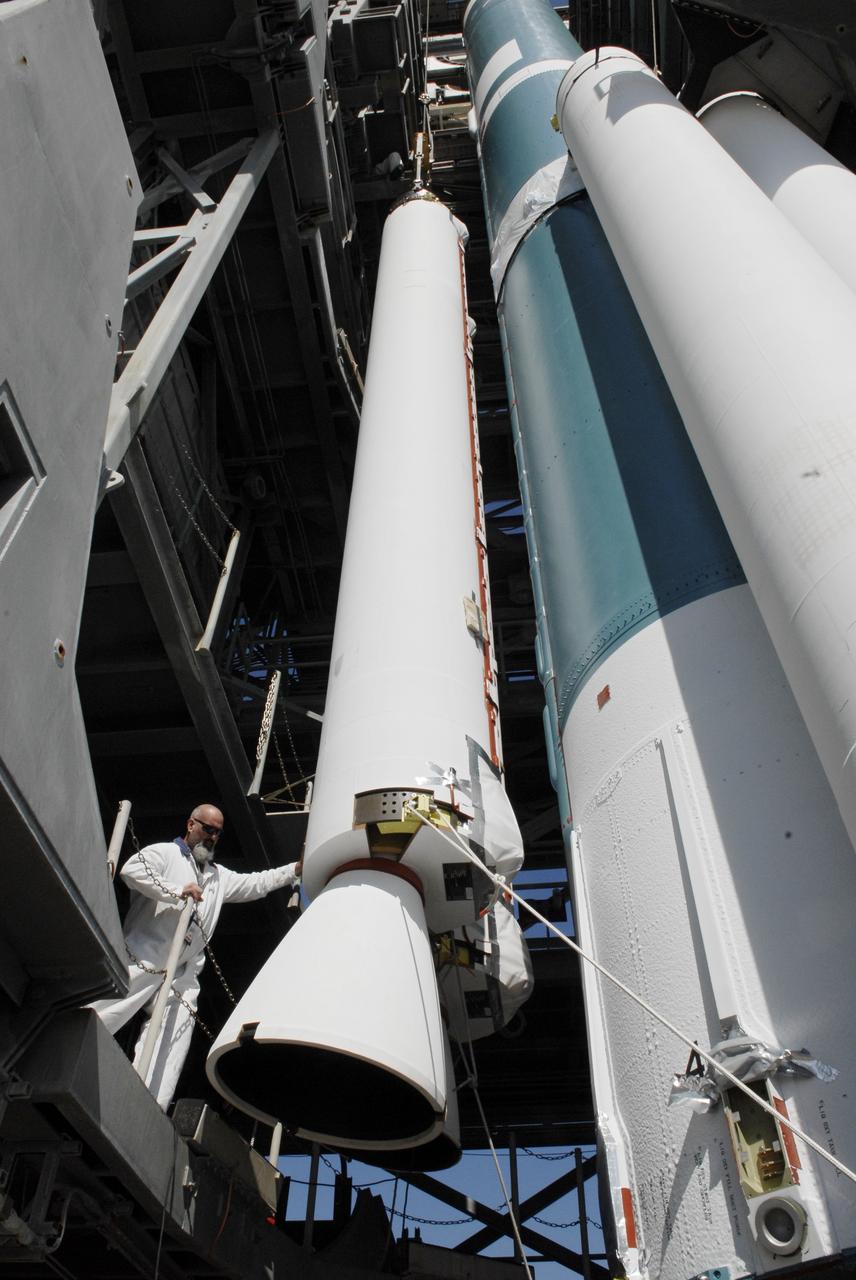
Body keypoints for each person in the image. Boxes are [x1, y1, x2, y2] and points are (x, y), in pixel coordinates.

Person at [90, 803, 301, 1110]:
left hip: (183, 972)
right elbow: (131, 871)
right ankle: (60, 1049)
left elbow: (257, 883)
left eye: (218, 833)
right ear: (191, 825)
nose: (212, 837)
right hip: (145, 955)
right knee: (106, 1011)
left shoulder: (219, 876)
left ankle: (148, 1105)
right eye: (207, 829)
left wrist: (295, 869)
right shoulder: (165, 853)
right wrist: (177, 891)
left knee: (174, 1034)